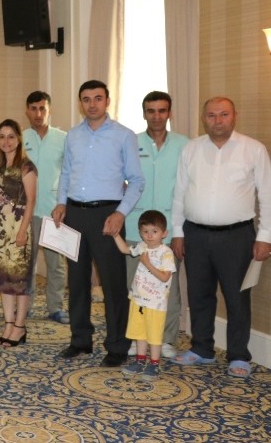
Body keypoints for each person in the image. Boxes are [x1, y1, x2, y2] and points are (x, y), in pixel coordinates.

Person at [171, 97, 271, 379]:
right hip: (195, 234)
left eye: (224, 114)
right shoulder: (191, 149)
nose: (218, 120)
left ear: (234, 116)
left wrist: (265, 236)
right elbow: (179, 193)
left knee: (237, 297)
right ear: (204, 118)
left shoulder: (253, 149)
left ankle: (239, 355)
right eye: (212, 115)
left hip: (236, 237)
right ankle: (202, 348)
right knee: (199, 294)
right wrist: (178, 232)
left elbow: (267, 195)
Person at [53, 80, 145, 367]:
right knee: (77, 281)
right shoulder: (73, 135)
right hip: (74, 214)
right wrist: (61, 203)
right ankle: (80, 339)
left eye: (97, 98)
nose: (92, 104)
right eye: (86, 99)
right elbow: (66, 173)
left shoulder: (124, 136)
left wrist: (121, 213)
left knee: (113, 284)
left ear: (107, 101)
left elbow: (137, 181)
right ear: (80, 103)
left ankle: (117, 346)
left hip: (108, 216)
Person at [124, 91, 188, 359]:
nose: (157, 116)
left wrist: (180, 231)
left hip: (169, 231)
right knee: (135, 287)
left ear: (169, 113)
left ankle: (167, 339)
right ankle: (136, 337)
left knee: (167, 290)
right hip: (134, 228)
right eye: (151, 111)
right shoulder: (131, 142)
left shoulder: (184, 145)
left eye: (162, 110)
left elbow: (187, 189)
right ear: (144, 113)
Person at [0, 119, 37, 347]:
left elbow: (31, 201)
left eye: (11, 136)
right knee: (4, 279)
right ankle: (8, 323)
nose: (6, 141)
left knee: (19, 280)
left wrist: (23, 231)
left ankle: (20, 326)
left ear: (18, 139)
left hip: (18, 228)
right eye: (2, 137)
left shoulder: (26, 167)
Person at [22, 91, 69, 324]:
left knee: (56, 264)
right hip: (26, 212)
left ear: (49, 110)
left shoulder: (63, 139)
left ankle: (55, 307)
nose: (38, 113)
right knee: (26, 264)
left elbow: (69, 173)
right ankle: (25, 305)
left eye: (42, 108)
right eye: (34, 108)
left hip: (54, 212)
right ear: (27, 111)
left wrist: (64, 204)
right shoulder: (21, 138)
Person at [114, 210, 176, 381]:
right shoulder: (142, 246)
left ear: (164, 233)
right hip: (138, 300)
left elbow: (165, 277)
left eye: (154, 231)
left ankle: (154, 364)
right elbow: (125, 249)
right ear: (140, 232)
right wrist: (115, 235)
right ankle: (140, 361)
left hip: (156, 303)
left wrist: (148, 264)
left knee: (154, 336)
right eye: (145, 231)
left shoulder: (166, 253)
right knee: (140, 333)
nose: (149, 236)